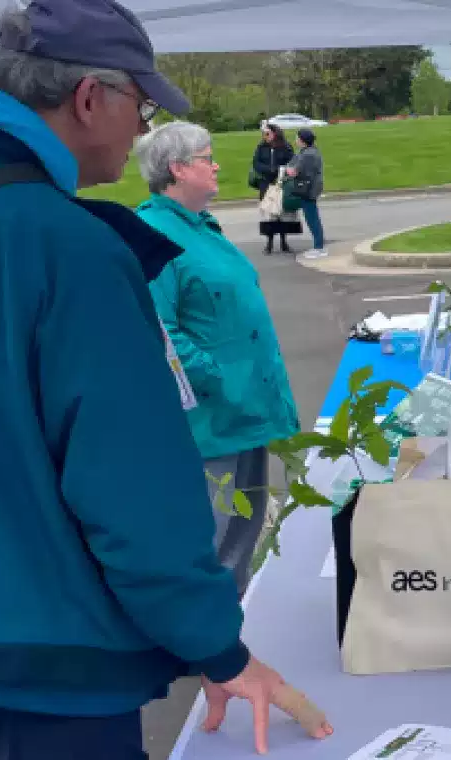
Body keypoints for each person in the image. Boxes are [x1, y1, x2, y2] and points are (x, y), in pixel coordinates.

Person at [0, 1, 329, 754]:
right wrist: (215, 645)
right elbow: (130, 481)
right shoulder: (67, 242)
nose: (140, 131)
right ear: (90, 98)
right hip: (46, 645)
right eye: (142, 107)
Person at [134, 121, 301, 593]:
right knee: (212, 540)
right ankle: (209, 651)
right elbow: (158, 331)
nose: (217, 165)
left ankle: (232, 636)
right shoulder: (153, 233)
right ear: (178, 169)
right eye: (207, 158)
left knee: (242, 537)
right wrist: (220, 381)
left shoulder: (201, 227)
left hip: (246, 412)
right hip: (210, 423)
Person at [249, 124, 300, 254]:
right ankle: (269, 243)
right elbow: (256, 163)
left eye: (267, 134)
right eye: (264, 134)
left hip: (281, 183)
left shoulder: (286, 147)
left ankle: (284, 242)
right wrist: (268, 170)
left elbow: (292, 162)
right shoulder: (261, 147)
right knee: (269, 214)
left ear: (275, 134)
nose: (265, 137)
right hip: (266, 184)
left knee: (282, 214)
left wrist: (278, 170)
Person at [283, 127, 325, 254]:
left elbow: (294, 171)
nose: (296, 140)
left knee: (312, 219)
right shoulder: (310, 152)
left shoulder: (307, 154)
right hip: (310, 188)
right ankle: (319, 245)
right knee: (312, 217)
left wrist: (287, 171)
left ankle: (319, 247)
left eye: (297, 137)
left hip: (308, 190)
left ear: (303, 140)